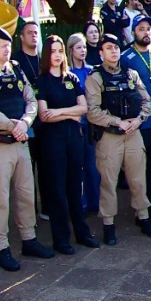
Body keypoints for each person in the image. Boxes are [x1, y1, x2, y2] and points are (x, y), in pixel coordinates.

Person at [0, 26, 53, 270]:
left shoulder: (16, 69)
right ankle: (1, 247)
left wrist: (25, 123)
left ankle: (29, 239)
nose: (7, 50)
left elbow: (31, 99)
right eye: (2, 46)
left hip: (20, 142)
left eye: (8, 45)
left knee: (27, 194)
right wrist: (12, 126)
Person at [87, 33, 151, 243]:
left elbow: (147, 101)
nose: (114, 51)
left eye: (116, 47)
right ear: (101, 53)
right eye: (108, 48)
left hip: (133, 132)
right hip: (111, 135)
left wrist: (138, 121)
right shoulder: (96, 77)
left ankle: (143, 216)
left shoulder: (131, 74)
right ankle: (108, 223)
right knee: (109, 181)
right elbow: (92, 111)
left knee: (138, 178)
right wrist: (118, 122)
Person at [33, 34, 97, 254]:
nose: (57, 55)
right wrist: (70, 114)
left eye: (60, 51)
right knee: (57, 189)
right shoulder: (41, 81)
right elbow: (43, 115)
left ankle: (82, 233)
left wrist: (60, 112)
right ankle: (61, 239)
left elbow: (84, 108)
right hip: (53, 141)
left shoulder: (72, 78)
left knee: (74, 186)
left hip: (73, 137)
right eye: (53, 51)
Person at [121, 17, 151, 228]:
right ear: (133, 32)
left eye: (148, 29)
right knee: (139, 169)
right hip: (140, 122)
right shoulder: (127, 57)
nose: (146, 33)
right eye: (141, 29)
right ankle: (141, 211)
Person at [66, 33, 100, 215]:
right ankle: (80, 204)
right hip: (75, 125)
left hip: (91, 125)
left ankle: (95, 202)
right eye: (79, 47)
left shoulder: (91, 71)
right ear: (71, 50)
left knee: (92, 165)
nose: (83, 51)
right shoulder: (67, 74)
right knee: (76, 167)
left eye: (84, 47)